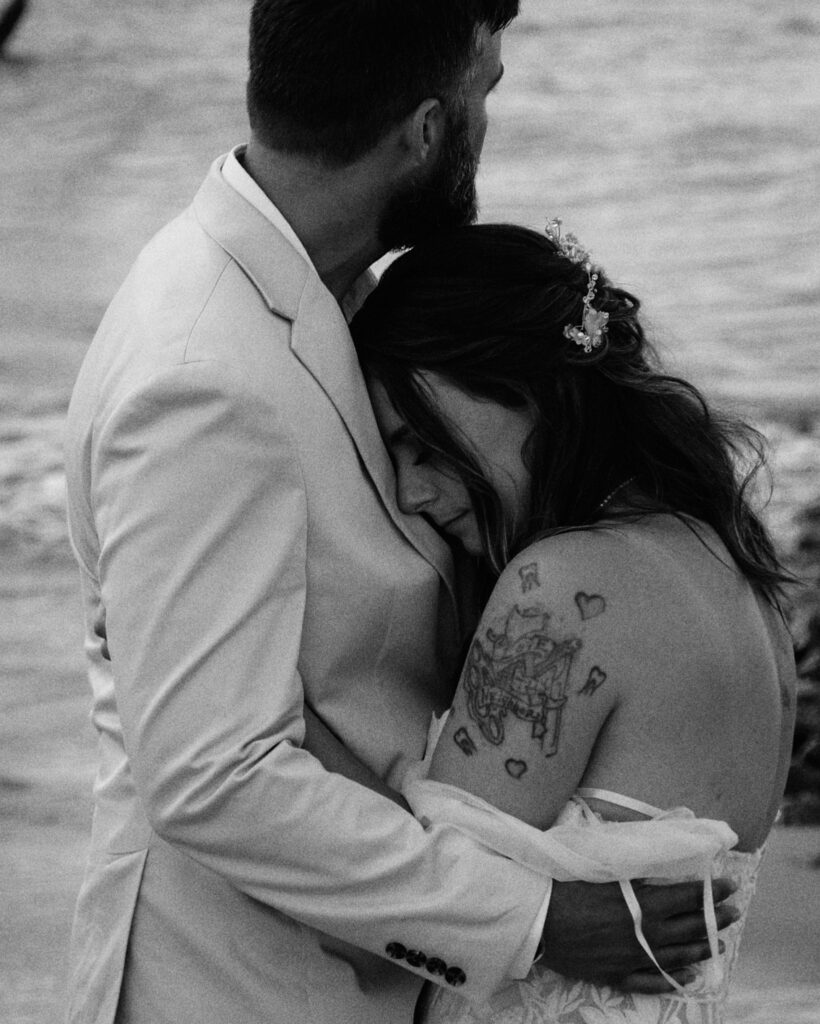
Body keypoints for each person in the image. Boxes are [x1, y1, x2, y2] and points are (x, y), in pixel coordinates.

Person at [63, 4, 738, 1023]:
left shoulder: (321, 300)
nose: (485, 125)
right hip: (237, 985)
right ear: (426, 129)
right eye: (487, 91)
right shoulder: (204, 374)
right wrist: (534, 918)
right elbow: (208, 775)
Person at [346, 220, 797, 1022]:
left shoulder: (563, 586)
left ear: (524, 385)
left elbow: (425, 894)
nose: (413, 491)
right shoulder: (734, 570)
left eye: (421, 442)